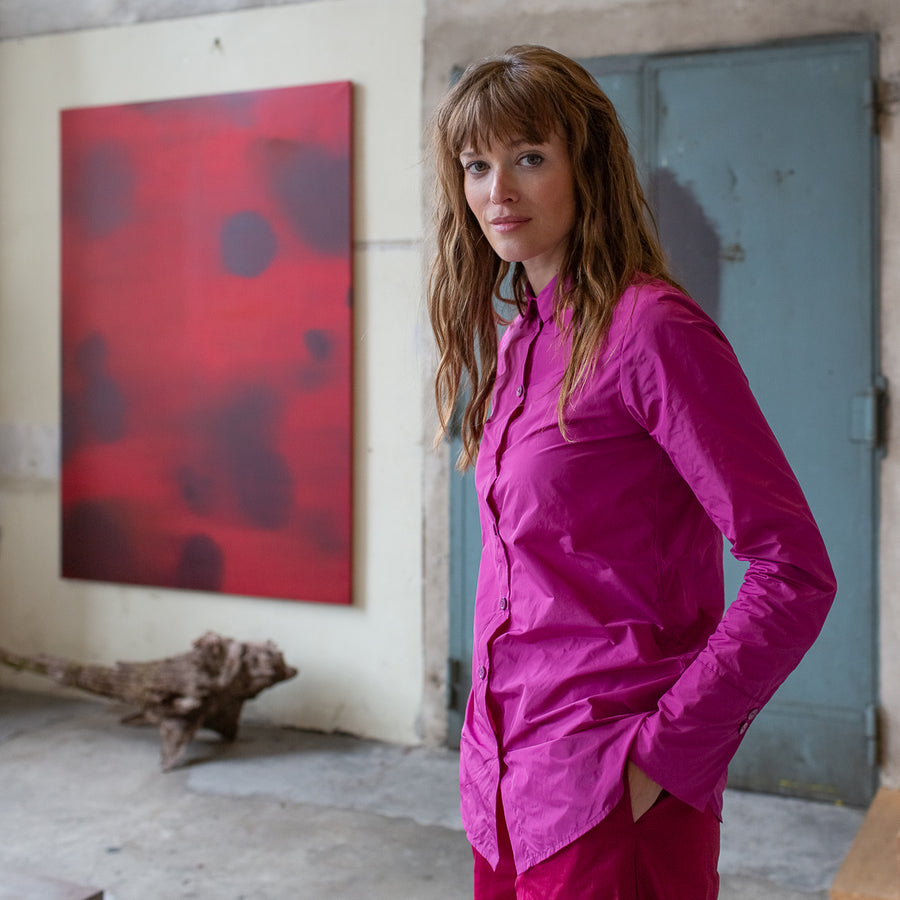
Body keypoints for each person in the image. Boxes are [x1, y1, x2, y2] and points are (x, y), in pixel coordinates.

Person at [426, 44, 837, 900]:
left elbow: (793, 569)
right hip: (505, 787)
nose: (497, 192)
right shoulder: (520, 339)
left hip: (610, 795)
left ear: (587, 165)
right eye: (476, 165)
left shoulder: (651, 330)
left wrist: (661, 759)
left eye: (528, 158)